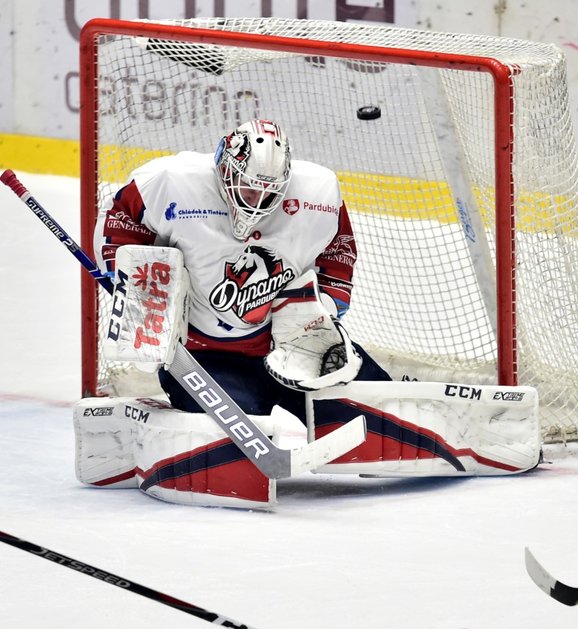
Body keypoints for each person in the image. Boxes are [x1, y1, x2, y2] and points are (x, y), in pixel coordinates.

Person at [94, 118, 390, 424]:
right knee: (242, 429)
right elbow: (121, 221)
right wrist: (133, 285)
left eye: (269, 193)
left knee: (380, 417)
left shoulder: (319, 194)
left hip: (292, 347)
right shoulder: (170, 182)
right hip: (201, 357)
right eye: (249, 189)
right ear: (225, 169)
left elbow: (338, 252)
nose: (257, 201)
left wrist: (324, 310)